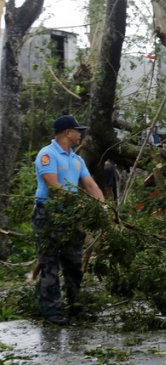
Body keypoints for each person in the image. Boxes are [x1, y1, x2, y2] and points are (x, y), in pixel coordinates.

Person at [33, 114, 106, 326]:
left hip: (71, 217)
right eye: (77, 131)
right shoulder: (47, 155)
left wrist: (103, 206)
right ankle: (51, 310)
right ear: (67, 133)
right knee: (50, 264)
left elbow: (90, 184)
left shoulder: (76, 159)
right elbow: (53, 185)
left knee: (74, 262)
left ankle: (75, 306)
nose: (80, 134)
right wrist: (76, 205)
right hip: (49, 214)